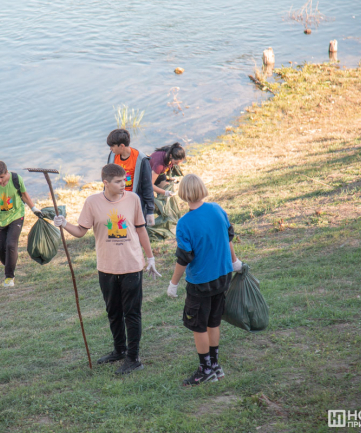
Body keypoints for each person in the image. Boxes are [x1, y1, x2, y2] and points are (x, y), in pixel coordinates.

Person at [53, 163, 162, 375]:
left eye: (124, 180)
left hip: (131, 265)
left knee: (132, 313)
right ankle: (119, 350)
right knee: (113, 312)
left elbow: (141, 230)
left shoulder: (133, 199)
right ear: (106, 182)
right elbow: (81, 231)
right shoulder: (92, 202)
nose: (124, 185)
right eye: (118, 182)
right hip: (106, 267)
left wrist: (150, 258)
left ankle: (133, 358)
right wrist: (64, 223)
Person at [165, 174, 242, 385]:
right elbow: (228, 238)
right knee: (213, 321)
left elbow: (184, 258)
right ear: (202, 189)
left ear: (183, 194)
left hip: (201, 282)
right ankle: (215, 365)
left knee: (199, 325)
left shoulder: (184, 223)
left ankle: (205, 369)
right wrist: (235, 261)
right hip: (223, 276)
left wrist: (173, 283)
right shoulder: (217, 209)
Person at [0, 161, 42, 287]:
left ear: (6, 172)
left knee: (11, 244)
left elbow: (24, 195)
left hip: (16, 215)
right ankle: (11, 264)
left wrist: (33, 208)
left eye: (2, 177)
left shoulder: (16, 179)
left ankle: (9, 277)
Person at [106, 129, 155, 226]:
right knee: (119, 229)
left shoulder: (141, 159)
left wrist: (150, 211)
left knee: (135, 231)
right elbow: (107, 179)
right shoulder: (112, 156)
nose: (110, 149)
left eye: (112, 146)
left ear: (122, 146)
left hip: (134, 203)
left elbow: (147, 186)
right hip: (116, 201)